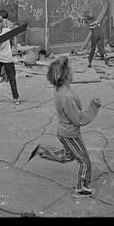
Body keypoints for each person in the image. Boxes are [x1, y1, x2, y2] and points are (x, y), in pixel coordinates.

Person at [27, 55, 101, 197]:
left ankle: (42, 151)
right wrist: (93, 107)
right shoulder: (67, 96)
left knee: (68, 156)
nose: (74, 72)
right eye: (71, 71)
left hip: (64, 132)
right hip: (70, 134)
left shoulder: (58, 88)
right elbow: (78, 119)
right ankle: (81, 188)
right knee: (84, 161)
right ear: (66, 77)